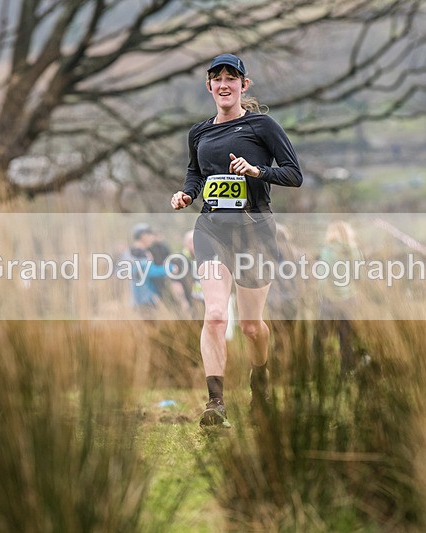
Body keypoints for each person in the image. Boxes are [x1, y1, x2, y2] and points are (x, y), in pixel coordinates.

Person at [170, 53, 303, 427]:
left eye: (232, 77)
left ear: (245, 85)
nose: (224, 84)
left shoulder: (263, 126)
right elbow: (195, 175)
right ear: (209, 86)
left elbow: (294, 174)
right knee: (214, 315)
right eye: (218, 78)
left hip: (254, 230)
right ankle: (216, 403)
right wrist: (186, 195)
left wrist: (256, 170)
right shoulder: (198, 132)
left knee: (249, 326)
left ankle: (260, 380)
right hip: (211, 229)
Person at [314, 220, 364, 376]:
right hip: (350, 301)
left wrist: (320, 294)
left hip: (330, 302)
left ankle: (318, 371)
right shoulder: (355, 251)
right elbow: (359, 276)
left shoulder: (328, 251)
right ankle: (346, 372)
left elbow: (322, 278)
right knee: (346, 338)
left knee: (319, 340)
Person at [128, 223, 168, 310]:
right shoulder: (137, 254)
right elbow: (150, 271)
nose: (152, 238)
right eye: (150, 235)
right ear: (143, 236)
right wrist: (170, 268)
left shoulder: (139, 253)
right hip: (143, 302)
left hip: (144, 301)